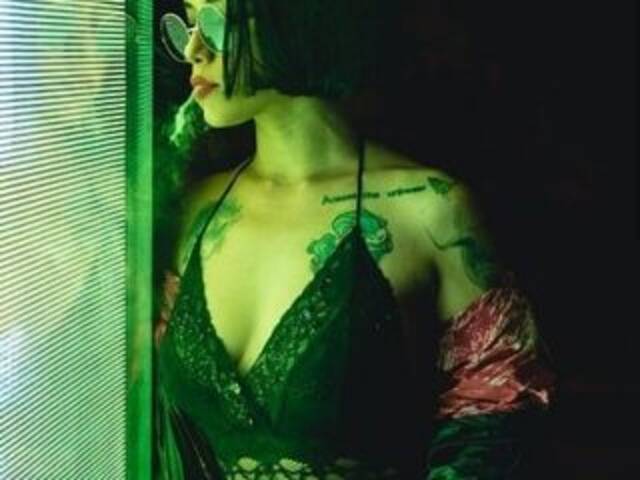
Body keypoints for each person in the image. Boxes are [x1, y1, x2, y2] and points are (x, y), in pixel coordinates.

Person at [153, 0, 556, 478]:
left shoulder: (428, 209)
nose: (193, 50)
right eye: (189, 23)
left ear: (296, 19)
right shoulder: (192, 212)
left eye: (218, 23)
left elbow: (499, 414)